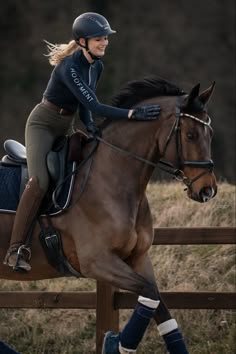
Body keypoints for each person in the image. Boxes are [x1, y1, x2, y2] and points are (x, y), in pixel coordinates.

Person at [3, 12, 161, 272]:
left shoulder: (97, 66)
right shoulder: (70, 67)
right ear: (82, 41)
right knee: (40, 180)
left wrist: (90, 128)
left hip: (66, 124)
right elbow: (93, 104)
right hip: (43, 124)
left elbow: (84, 106)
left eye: (105, 38)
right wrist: (132, 114)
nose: (104, 43)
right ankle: (15, 248)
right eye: (99, 39)